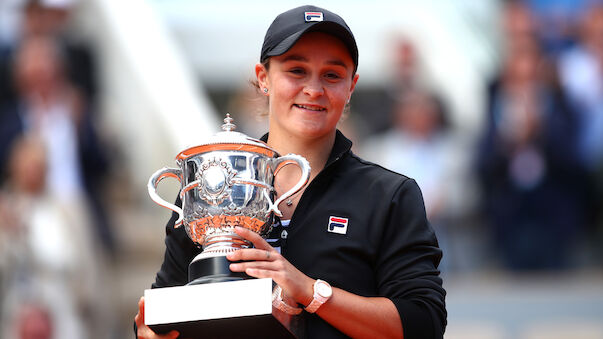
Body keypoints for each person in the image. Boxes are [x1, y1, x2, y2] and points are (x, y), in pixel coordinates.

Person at [135, 5, 446, 338]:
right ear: (263, 77)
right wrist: (149, 333)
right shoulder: (211, 187)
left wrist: (309, 291)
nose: (314, 89)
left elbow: (423, 323)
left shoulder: (388, 195)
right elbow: (163, 310)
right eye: (297, 70)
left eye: (332, 75)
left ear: (351, 86)